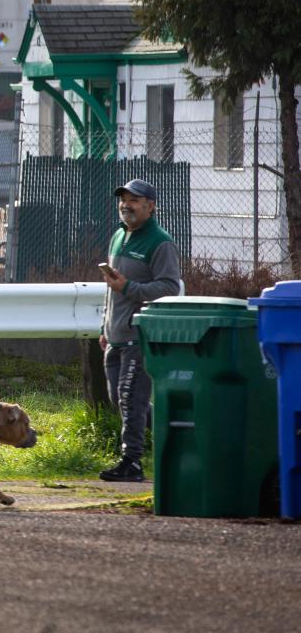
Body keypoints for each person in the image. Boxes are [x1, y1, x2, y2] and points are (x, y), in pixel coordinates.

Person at [97, 178, 181, 483]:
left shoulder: (160, 242)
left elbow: (171, 287)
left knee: (130, 397)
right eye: (124, 199)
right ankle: (177, 427)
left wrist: (129, 287)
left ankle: (131, 462)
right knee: (120, 399)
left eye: (134, 200)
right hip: (115, 335)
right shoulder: (119, 236)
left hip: (139, 335)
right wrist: (104, 325)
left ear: (150, 206)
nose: (126, 205)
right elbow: (112, 290)